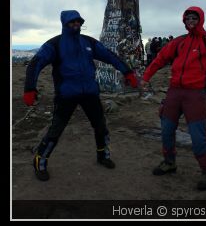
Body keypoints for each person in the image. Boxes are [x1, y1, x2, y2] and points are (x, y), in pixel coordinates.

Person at [23, 10, 138, 181]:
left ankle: (103, 155)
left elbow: (110, 56)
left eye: (78, 22)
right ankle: (40, 160)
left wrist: (127, 72)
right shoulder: (55, 44)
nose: (76, 25)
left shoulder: (88, 42)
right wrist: (29, 89)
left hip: (90, 92)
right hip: (66, 95)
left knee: (100, 126)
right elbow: (35, 64)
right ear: (65, 23)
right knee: (56, 130)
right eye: (72, 22)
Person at [140, 6, 206, 190]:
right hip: (174, 92)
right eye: (187, 18)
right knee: (166, 129)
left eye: (194, 18)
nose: (190, 21)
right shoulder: (179, 42)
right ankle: (169, 162)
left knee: (197, 135)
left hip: (195, 94)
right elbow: (160, 59)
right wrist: (146, 77)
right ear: (184, 20)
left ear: (200, 19)